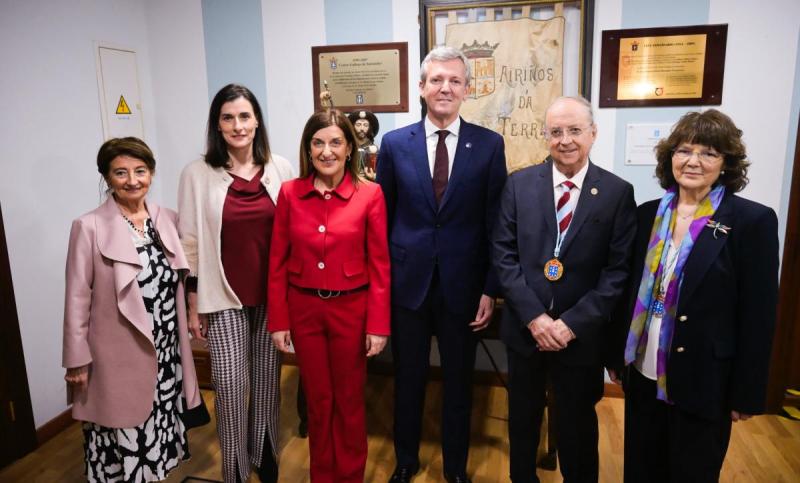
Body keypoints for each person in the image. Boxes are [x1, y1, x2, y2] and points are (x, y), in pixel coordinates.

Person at [609, 109, 779, 482]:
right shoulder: (647, 215)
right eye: (684, 150)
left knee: (692, 473)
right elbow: (626, 292)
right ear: (670, 157)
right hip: (643, 369)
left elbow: (759, 315)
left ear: (727, 163)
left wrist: (747, 392)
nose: (693, 161)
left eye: (708, 153)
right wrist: (616, 355)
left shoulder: (751, 222)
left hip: (705, 380)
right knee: (641, 468)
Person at [377, 46, 507, 483]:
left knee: (458, 385)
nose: (445, 88)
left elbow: (495, 224)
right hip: (407, 287)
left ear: (467, 89)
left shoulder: (489, 146)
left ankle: (455, 469)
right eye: (436, 80)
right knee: (408, 381)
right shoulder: (394, 145)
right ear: (421, 87)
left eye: (454, 80)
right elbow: (384, 218)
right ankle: (406, 462)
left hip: (463, 289)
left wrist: (490, 288)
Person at [492, 96, 636, 482]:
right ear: (546, 136)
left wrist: (570, 324)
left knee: (576, 422)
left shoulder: (617, 192)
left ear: (593, 133)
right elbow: (503, 255)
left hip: (580, 335)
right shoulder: (519, 184)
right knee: (522, 417)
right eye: (556, 131)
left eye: (575, 130)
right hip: (527, 330)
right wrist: (536, 318)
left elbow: (617, 272)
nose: (566, 140)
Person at [63, 137, 202, 482]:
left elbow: (185, 276)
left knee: (160, 426)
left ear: (152, 173)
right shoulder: (89, 226)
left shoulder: (165, 218)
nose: (132, 180)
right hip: (117, 355)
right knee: (122, 430)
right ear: (107, 178)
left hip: (166, 350)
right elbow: (76, 297)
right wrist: (76, 358)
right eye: (120, 172)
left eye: (140, 171)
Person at [177, 84, 294, 483]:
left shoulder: (279, 167)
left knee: (266, 381)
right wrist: (193, 305)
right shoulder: (196, 174)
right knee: (228, 384)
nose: (237, 125)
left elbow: (294, 233)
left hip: (273, 297)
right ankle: (235, 469)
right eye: (228, 117)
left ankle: (265, 452)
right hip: (221, 296)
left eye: (244, 116)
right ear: (217, 125)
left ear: (257, 120)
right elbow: (188, 243)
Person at [268, 108, 390, 482]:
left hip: (351, 311)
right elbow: (277, 261)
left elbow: (381, 266)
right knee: (318, 403)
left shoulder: (370, 194)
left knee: (350, 402)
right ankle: (322, 475)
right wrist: (279, 321)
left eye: (336, 142)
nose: (327, 151)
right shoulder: (290, 193)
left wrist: (378, 326)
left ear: (350, 148)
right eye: (318, 143)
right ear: (308, 148)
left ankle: (350, 475)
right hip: (304, 311)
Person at [348, 110, 380, 178]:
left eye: (365, 125)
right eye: (358, 125)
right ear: (352, 126)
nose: (362, 128)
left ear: (370, 128)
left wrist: (374, 177)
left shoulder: (374, 150)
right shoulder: (347, 149)